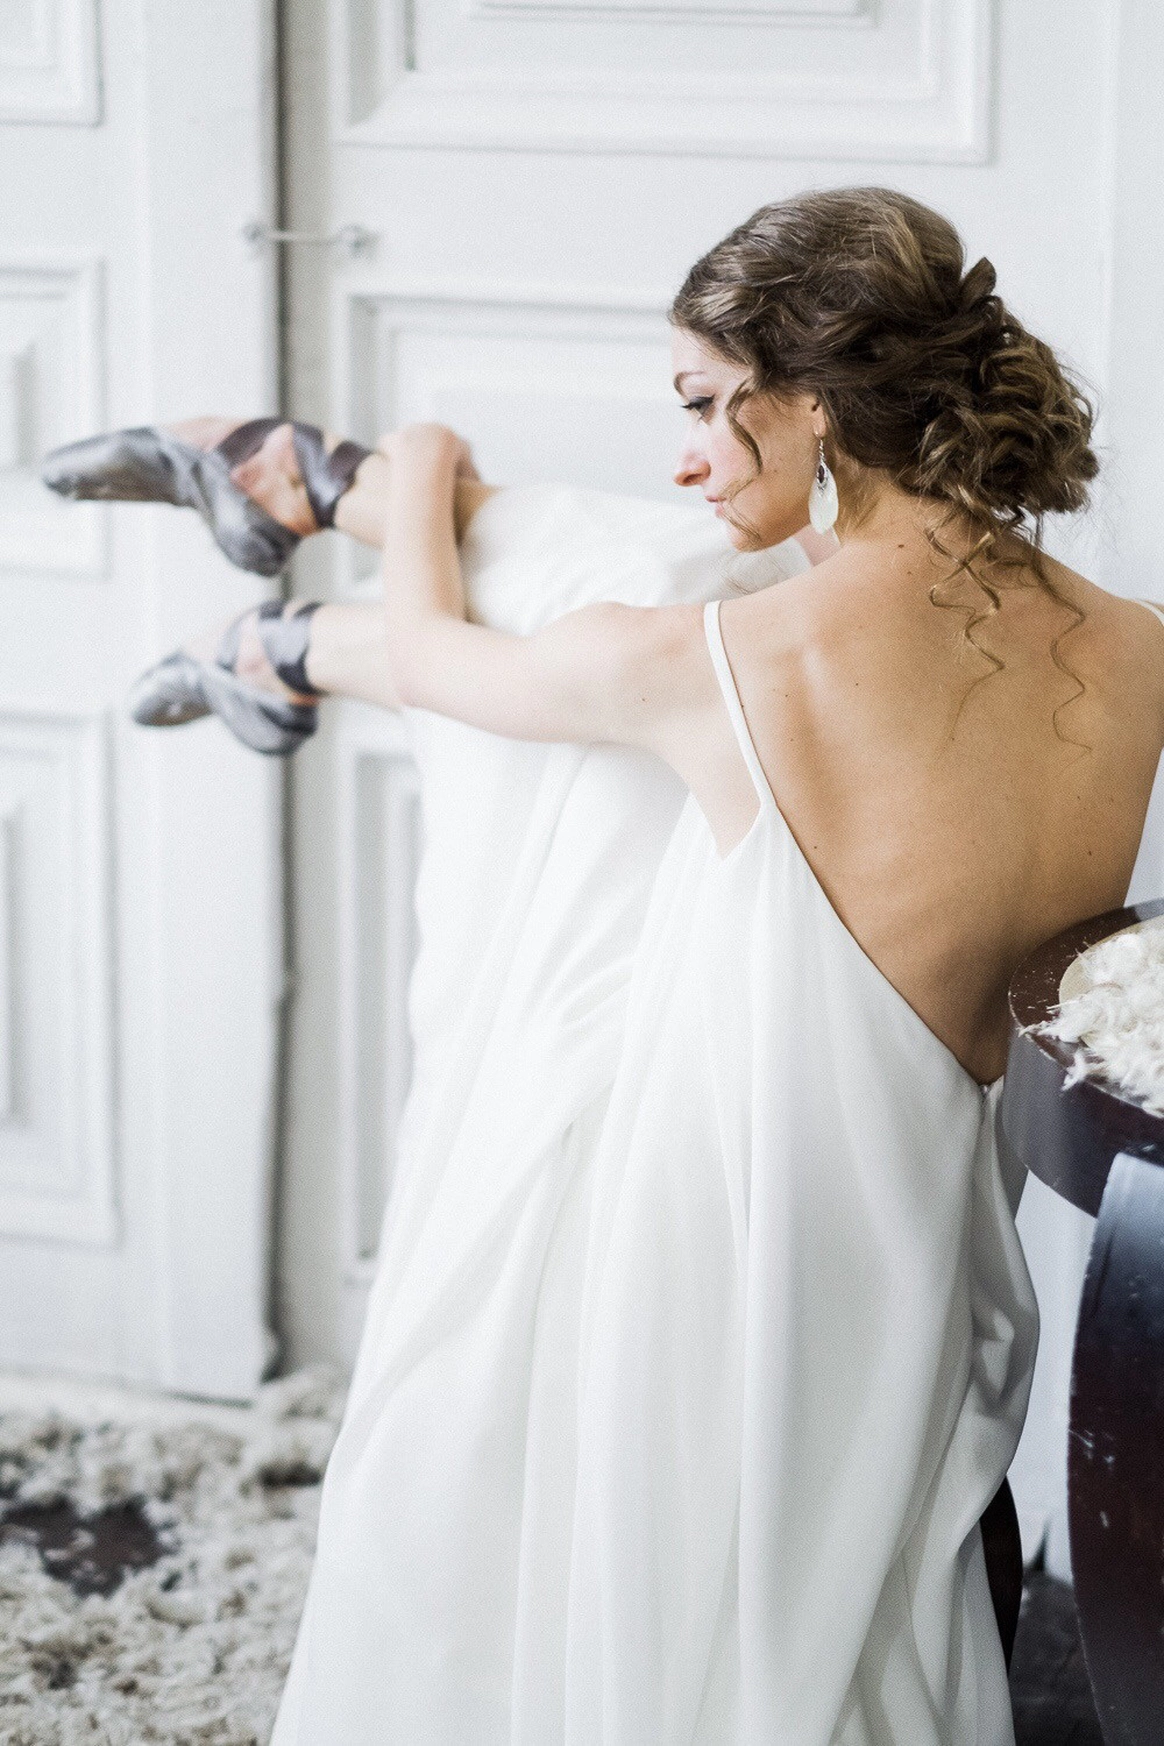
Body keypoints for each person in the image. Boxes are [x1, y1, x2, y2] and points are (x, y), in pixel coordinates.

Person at [45, 184, 1164, 1743]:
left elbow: (432, 662)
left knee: (625, 639)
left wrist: (421, 477)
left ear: (815, 402)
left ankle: (295, 592)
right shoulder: (1137, 643)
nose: (688, 449)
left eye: (705, 404)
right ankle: (296, 517)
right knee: (671, 567)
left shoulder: (719, 661)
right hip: (925, 1235)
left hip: (714, 1230)